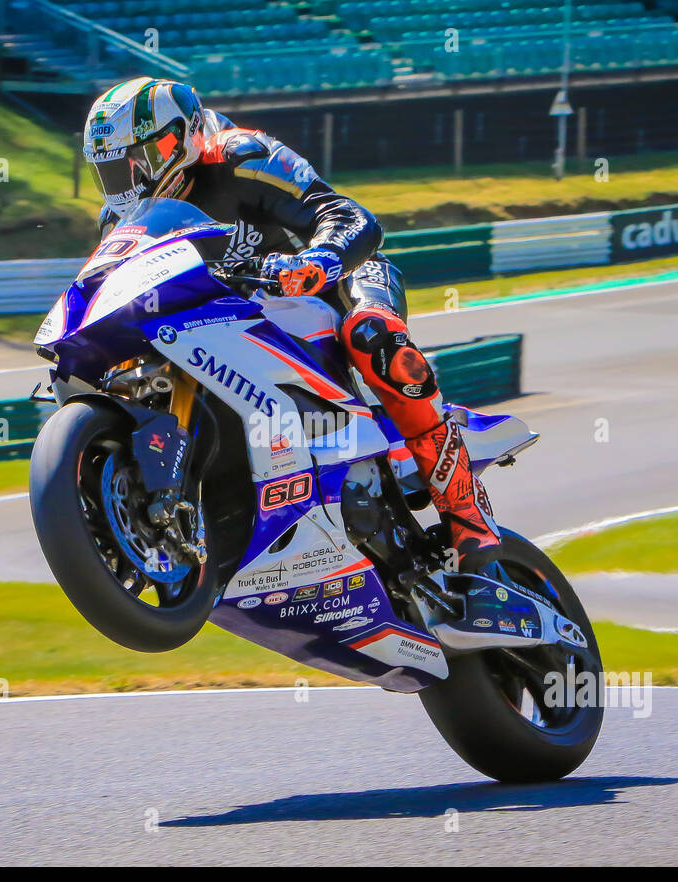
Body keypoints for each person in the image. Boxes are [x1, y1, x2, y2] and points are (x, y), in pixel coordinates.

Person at [83, 77, 513, 617]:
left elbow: (351, 217)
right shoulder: (121, 221)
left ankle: (465, 508)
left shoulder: (244, 155)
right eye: (113, 168)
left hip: (331, 284)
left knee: (373, 337)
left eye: (142, 158)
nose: (131, 179)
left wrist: (317, 261)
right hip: (228, 323)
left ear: (184, 135)